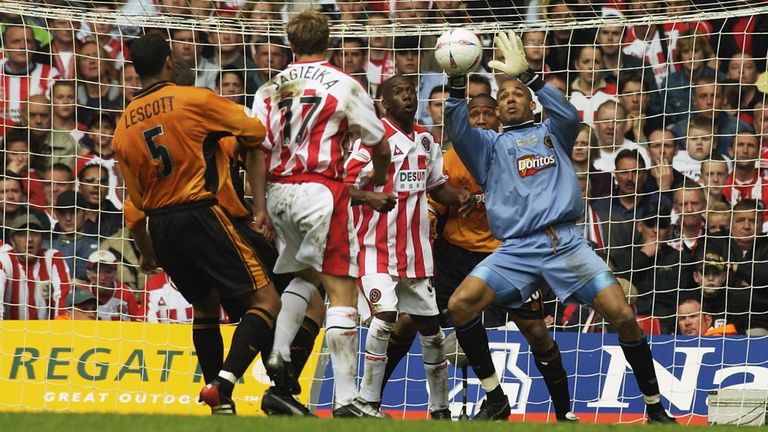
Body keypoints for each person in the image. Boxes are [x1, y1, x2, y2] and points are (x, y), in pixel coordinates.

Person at [441, 31, 676, 423]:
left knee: (623, 315)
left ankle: (654, 408)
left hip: (567, 243)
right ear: (497, 112)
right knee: (459, 305)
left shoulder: (554, 132)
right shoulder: (488, 148)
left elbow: (569, 114)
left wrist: (531, 76)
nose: (510, 98)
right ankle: (495, 397)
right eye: (503, 96)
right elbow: (457, 126)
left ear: (532, 102)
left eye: (517, 93)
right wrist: (455, 79)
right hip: (516, 250)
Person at [113, 32, 281, 415]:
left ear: (135, 69)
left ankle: (219, 406)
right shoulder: (193, 99)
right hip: (202, 213)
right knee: (268, 299)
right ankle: (225, 384)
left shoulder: (123, 127)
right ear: (168, 61)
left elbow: (135, 201)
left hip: (160, 225)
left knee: (205, 306)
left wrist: (148, 252)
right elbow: (254, 132)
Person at [252, 11, 391, 418]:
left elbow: (254, 152)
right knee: (342, 289)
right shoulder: (345, 85)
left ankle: (278, 353)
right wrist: (378, 180)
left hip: (278, 191)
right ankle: (348, 399)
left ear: (290, 44)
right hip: (321, 190)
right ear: (328, 40)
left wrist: (259, 205)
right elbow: (378, 144)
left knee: (304, 276)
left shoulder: (267, 90)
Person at [345, 75, 472, 419]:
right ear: (383, 103)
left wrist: (457, 196)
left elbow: (436, 187)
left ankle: (440, 410)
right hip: (375, 250)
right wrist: (370, 196)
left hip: (417, 256)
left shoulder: (428, 141)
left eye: (410, 92)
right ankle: (367, 401)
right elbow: (344, 187)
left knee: (431, 331)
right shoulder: (373, 140)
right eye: (398, 93)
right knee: (385, 317)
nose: (407, 97)